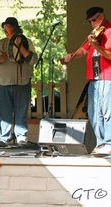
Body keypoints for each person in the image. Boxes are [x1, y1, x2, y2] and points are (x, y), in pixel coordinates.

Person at [63, 7, 111, 155]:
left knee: (107, 112)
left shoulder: (109, 31)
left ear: (101, 16)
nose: (92, 23)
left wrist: (97, 45)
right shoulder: (94, 34)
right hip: (94, 78)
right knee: (93, 112)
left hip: (107, 77)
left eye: (94, 20)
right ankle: (101, 142)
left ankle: (109, 142)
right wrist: (71, 55)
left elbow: (109, 55)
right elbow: (84, 50)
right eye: (90, 21)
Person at [0, 17, 38, 147]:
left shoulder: (26, 41)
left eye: (7, 26)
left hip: (22, 82)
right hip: (3, 82)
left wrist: (20, 47)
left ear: (14, 27)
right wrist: (0, 60)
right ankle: (4, 138)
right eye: (4, 26)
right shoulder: (1, 43)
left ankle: (21, 137)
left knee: (21, 111)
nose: (5, 29)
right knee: (4, 112)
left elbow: (33, 60)